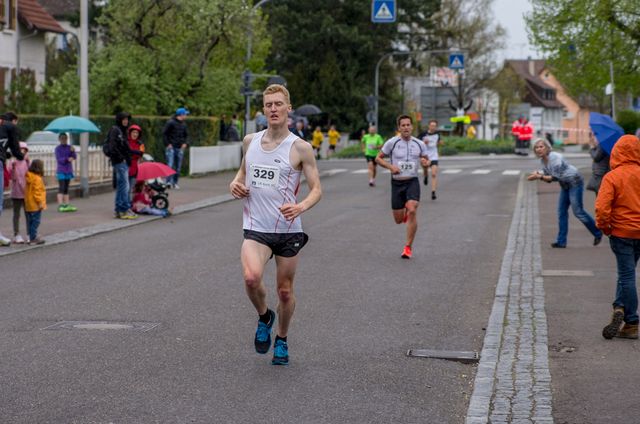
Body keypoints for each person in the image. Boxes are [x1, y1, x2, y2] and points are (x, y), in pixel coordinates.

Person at [229, 84, 322, 366]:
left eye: (278, 104)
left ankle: (281, 338)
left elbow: (317, 189)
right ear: (263, 109)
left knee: (284, 291)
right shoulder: (250, 141)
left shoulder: (300, 148)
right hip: (256, 227)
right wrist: (235, 184)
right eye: (268, 104)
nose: (273, 109)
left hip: (287, 231)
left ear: (288, 108)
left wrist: (300, 206)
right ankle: (264, 316)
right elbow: (242, 173)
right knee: (251, 278)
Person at [596, 135, 640, 340]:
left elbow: (602, 208)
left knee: (627, 275)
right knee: (627, 273)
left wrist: (605, 228)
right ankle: (619, 306)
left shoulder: (612, 177)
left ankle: (632, 322)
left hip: (621, 232)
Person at [527, 138, 603, 248]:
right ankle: (561, 242)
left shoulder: (555, 157)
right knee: (561, 212)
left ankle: (597, 232)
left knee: (578, 212)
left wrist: (539, 176)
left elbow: (555, 177)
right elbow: (548, 172)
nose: (538, 149)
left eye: (541, 147)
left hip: (575, 182)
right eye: (536, 147)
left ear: (547, 147)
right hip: (565, 184)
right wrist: (538, 173)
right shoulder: (543, 160)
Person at [375, 115, 429, 259]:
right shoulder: (392, 143)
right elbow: (378, 158)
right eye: (403, 125)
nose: (406, 127)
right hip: (397, 183)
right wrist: (390, 167)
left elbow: (426, 160)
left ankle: (408, 247)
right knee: (398, 220)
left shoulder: (419, 144)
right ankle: (404, 210)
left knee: (412, 209)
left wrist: (425, 164)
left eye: (408, 125)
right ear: (399, 128)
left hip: (412, 181)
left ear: (412, 127)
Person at [0, 112, 25, 246]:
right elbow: (16, 150)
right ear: (14, 120)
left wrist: (6, 154)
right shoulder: (10, 126)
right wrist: (21, 156)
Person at [109, 112, 138, 220]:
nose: (126, 121)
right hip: (120, 162)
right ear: (119, 120)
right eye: (124, 119)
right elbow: (113, 147)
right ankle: (124, 210)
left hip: (123, 162)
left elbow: (126, 147)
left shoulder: (123, 131)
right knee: (125, 187)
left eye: (127, 119)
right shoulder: (115, 130)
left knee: (121, 187)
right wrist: (122, 158)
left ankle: (119, 210)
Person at [163, 107, 189, 189]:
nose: (186, 116)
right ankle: (168, 182)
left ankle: (175, 183)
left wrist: (185, 143)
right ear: (181, 114)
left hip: (180, 148)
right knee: (170, 165)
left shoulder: (184, 125)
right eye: (185, 114)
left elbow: (186, 135)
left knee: (178, 167)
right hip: (171, 147)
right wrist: (167, 144)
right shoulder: (170, 123)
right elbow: (165, 134)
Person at [9, 141, 30, 243]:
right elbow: (12, 177)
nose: (21, 152)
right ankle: (16, 234)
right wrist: (13, 167)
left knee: (28, 214)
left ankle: (29, 233)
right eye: (20, 150)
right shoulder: (13, 163)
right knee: (16, 215)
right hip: (16, 192)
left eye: (23, 150)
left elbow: (30, 176)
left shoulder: (27, 162)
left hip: (26, 192)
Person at [418, 119, 443, 200]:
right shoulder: (423, 134)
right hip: (425, 156)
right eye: (432, 125)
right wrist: (423, 143)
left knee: (434, 174)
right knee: (425, 169)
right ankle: (425, 176)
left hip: (434, 156)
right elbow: (417, 143)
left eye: (434, 126)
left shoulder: (437, 134)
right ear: (429, 126)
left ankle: (433, 192)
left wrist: (440, 143)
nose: (433, 127)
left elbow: (438, 142)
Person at [24, 159, 46, 245]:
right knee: (36, 221)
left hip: (28, 203)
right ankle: (33, 238)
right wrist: (40, 203)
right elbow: (37, 192)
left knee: (30, 222)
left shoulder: (29, 176)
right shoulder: (37, 179)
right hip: (35, 204)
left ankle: (30, 237)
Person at [54, 133, 78, 212]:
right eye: (62, 138)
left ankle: (67, 204)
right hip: (61, 170)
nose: (64, 140)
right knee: (62, 187)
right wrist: (67, 159)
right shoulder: (57, 149)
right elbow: (59, 159)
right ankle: (61, 205)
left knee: (66, 188)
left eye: (65, 138)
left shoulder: (69, 147)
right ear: (59, 139)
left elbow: (74, 157)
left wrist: (73, 151)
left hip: (68, 170)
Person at [127, 124, 145, 196]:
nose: (135, 134)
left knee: (131, 188)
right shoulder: (126, 141)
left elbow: (141, 153)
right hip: (126, 166)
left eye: (137, 133)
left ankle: (129, 201)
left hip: (135, 168)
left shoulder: (140, 144)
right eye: (133, 132)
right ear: (130, 133)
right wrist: (135, 152)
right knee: (125, 188)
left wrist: (131, 151)